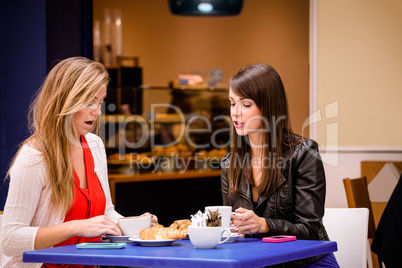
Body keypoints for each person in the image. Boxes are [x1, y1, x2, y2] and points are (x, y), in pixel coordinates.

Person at [0, 57, 157, 268]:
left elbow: (105, 213)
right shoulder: (35, 155)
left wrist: (135, 225)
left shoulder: (94, 145)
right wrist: (75, 227)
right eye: (90, 101)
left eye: (100, 102)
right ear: (65, 100)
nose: (97, 111)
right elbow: (9, 239)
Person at [221, 64, 339, 267]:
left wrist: (265, 225)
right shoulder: (229, 163)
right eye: (232, 103)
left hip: (305, 261)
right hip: (261, 261)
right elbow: (231, 227)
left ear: (268, 107)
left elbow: (310, 230)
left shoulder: (304, 153)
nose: (236, 113)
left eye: (246, 104)